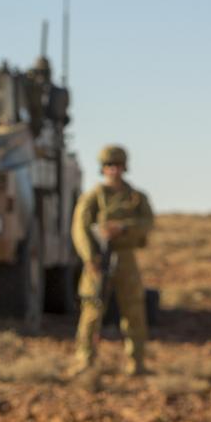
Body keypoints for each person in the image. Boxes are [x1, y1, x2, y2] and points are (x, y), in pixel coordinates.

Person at [69, 145, 155, 376]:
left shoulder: (136, 197)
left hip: (125, 258)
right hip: (98, 259)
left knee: (133, 310)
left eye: (117, 166)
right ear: (103, 168)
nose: (113, 170)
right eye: (109, 166)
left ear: (124, 167)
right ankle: (85, 359)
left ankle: (136, 361)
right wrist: (90, 258)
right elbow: (80, 228)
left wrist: (123, 228)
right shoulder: (93, 197)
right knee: (92, 309)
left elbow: (148, 223)